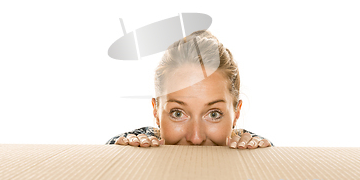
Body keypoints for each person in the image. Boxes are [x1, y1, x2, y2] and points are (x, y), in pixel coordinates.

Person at [106, 30, 273, 149]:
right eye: (177, 113)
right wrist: (123, 158)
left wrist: (258, 160)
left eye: (214, 114)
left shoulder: (254, 147)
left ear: (236, 113)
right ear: (156, 111)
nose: (196, 138)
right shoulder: (134, 143)